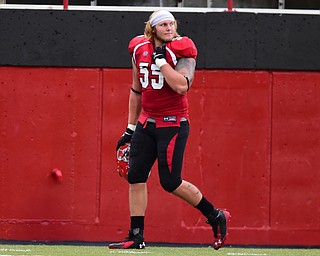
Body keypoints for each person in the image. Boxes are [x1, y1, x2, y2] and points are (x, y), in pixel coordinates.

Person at [108, 10, 230, 250]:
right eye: (163, 24)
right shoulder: (138, 48)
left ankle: (216, 215)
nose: (169, 28)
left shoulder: (182, 49)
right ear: (152, 28)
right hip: (146, 123)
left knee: (170, 182)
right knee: (135, 176)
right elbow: (136, 90)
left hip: (173, 124)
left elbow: (182, 86)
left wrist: (161, 62)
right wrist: (130, 128)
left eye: (171, 23)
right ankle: (136, 235)